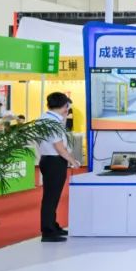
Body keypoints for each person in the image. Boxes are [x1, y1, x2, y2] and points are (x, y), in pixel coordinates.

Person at [37, 92, 79, 243]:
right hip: (54, 161)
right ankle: (48, 232)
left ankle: (53, 226)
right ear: (65, 106)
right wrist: (72, 161)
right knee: (51, 198)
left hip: (47, 160)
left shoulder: (44, 117)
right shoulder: (52, 122)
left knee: (52, 196)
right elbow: (59, 147)